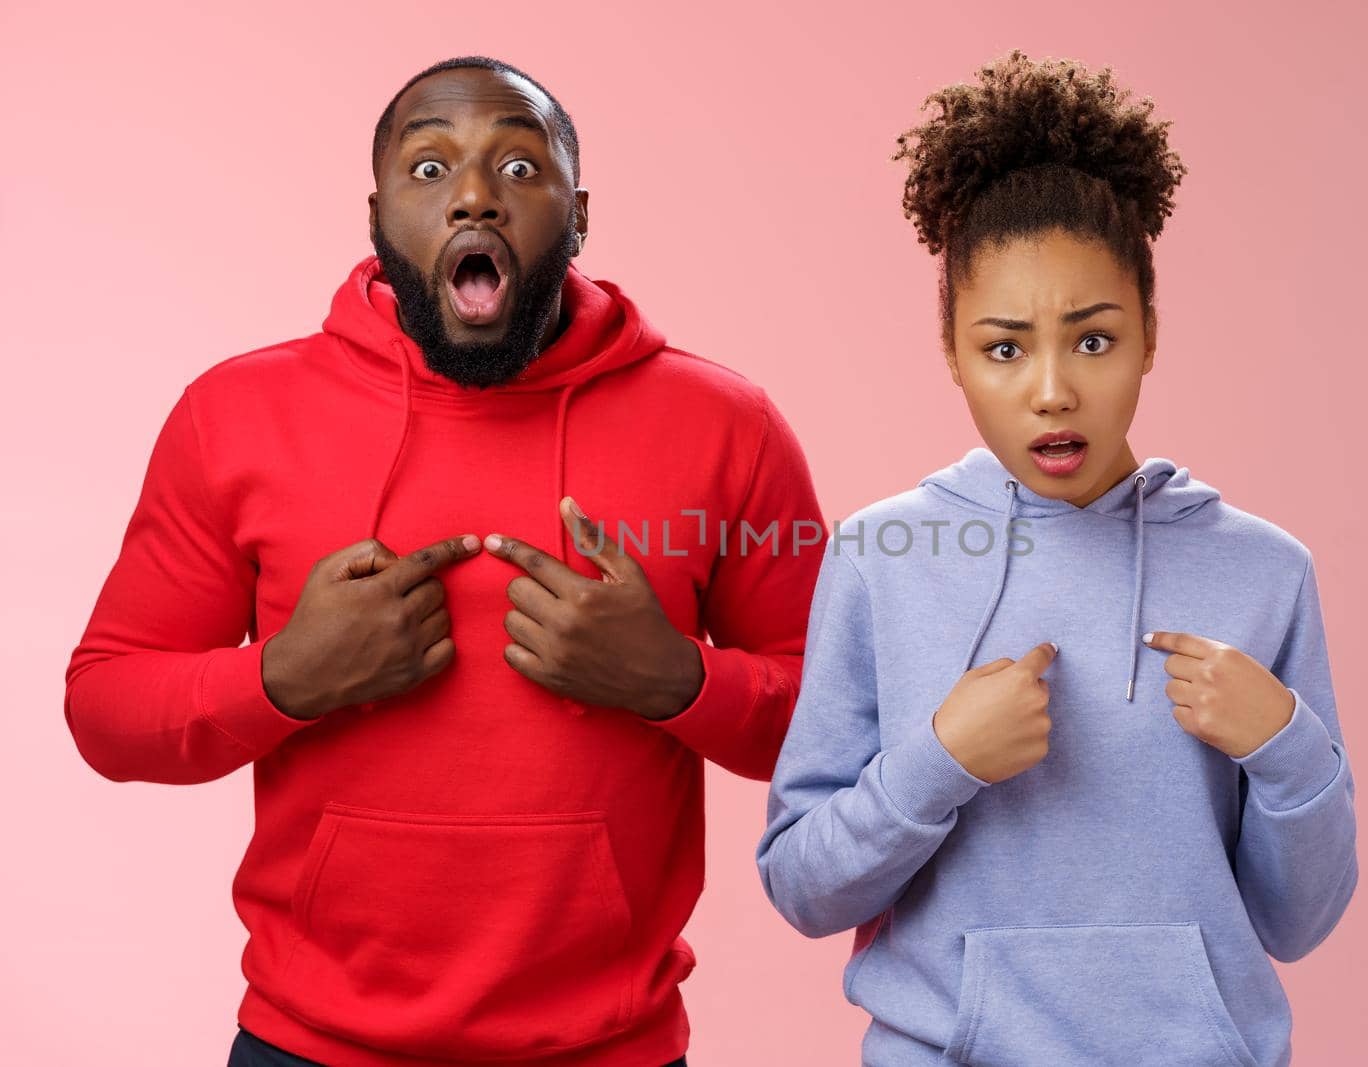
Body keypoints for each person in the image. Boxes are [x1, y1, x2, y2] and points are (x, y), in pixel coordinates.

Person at [64, 55, 825, 1067]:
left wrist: (678, 679)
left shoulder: (727, 424)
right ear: (375, 213)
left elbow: (841, 720)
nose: (474, 194)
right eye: (429, 170)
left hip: (613, 1047)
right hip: (309, 1043)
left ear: (579, 212)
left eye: (518, 166)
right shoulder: (234, 417)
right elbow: (107, 709)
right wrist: (283, 677)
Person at [757, 50, 1358, 1067]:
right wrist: (937, 762)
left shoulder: (1263, 571)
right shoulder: (881, 556)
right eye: (1003, 347)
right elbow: (803, 888)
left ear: (1150, 333)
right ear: (950, 349)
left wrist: (1286, 747)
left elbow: (1297, 922)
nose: (1050, 391)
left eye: (1091, 340)